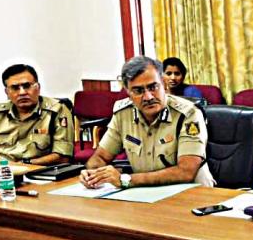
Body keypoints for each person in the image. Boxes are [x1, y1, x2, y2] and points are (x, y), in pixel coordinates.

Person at [80, 56, 214, 189]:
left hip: (191, 192)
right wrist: (93, 174)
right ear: (128, 92)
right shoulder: (123, 114)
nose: (148, 97)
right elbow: (100, 158)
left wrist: (126, 180)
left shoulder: (189, 114)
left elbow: (186, 172)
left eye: (153, 87)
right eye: (138, 91)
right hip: (145, 192)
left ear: (163, 84)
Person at [0, 64, 74, 165]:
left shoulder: (56, 110)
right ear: (7, 92)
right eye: (15, 88)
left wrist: (24, 164)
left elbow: (63, 157)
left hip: (37, 173)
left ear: (38, 88)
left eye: (27, 86)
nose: (22, 92)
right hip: (1, 173)